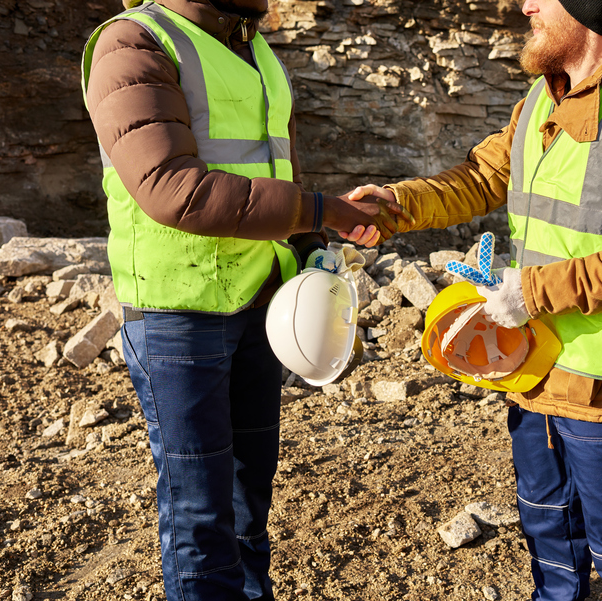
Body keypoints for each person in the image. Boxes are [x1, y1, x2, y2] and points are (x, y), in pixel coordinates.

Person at [345, 0, 602, 599]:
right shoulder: (545, 98)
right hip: (533, 363)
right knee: (547, 530)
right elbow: (480, 178)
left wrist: (533, 291)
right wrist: (392, 205)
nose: (524, 6)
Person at [81, 1, 411, 599]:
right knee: (200, 512)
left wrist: (314, 240)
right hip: (176, 314)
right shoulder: (133, 43)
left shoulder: (251, 47)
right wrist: (321, 209)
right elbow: (171, 189)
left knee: (248, 495)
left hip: (258, 301)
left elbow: (274, 166)